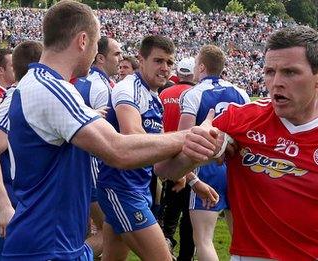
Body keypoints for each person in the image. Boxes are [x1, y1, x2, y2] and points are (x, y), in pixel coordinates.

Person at [1, 1, 219, 260]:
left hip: (54, 240)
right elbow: (118, 149)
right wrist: (189, 136)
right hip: (47, 245)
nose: (96, 52)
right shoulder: (51, 88)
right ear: (83, 40)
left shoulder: (40, 84)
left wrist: (192, 155)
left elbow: (156, 165)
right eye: (95, 43)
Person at [203, 26, 318, 260]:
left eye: (290, 72)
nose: (276, 82)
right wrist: (198, 145)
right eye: (270, 71)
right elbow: (167, 169)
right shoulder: (240, 118)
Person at [97, 35, 219, 261]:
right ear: (141, 60)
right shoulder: (128, 88)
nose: (165, 68)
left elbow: (158, 146)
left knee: (112, 258)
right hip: (121, 189)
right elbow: (133, 136)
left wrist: (192, 179)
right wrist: (188, 138)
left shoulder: (155, 97)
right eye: (158, 61)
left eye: (169, 63)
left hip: (138, 187)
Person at [179, 44, 250, 261]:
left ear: (201, 67)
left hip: (207, 167)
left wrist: (188, 177)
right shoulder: (241, 93)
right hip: (237, 166)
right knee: (243, 239)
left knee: (203, 239)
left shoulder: (193, 93)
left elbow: (185, 137)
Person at [0, 40, 43, 261]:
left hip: (25, 209)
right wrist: (3, 206)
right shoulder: (18, 97)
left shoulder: (35, 95)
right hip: (14, 208)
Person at [74, 35, 123, 258]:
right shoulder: (102, 87)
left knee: (80, 230)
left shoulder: (80, 80)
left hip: (77, 164)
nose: (120, 59)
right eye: (117, 54)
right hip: (93, 166)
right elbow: (102, 135)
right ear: (100, 58)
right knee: (113, 230)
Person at [159, 57, 198, 261]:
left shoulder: (165, 92)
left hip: (166, 157)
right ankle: (185, 255)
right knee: (190, 212)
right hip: (190, 159)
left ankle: (166, 243)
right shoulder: (196, 94)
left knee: (171, 207)